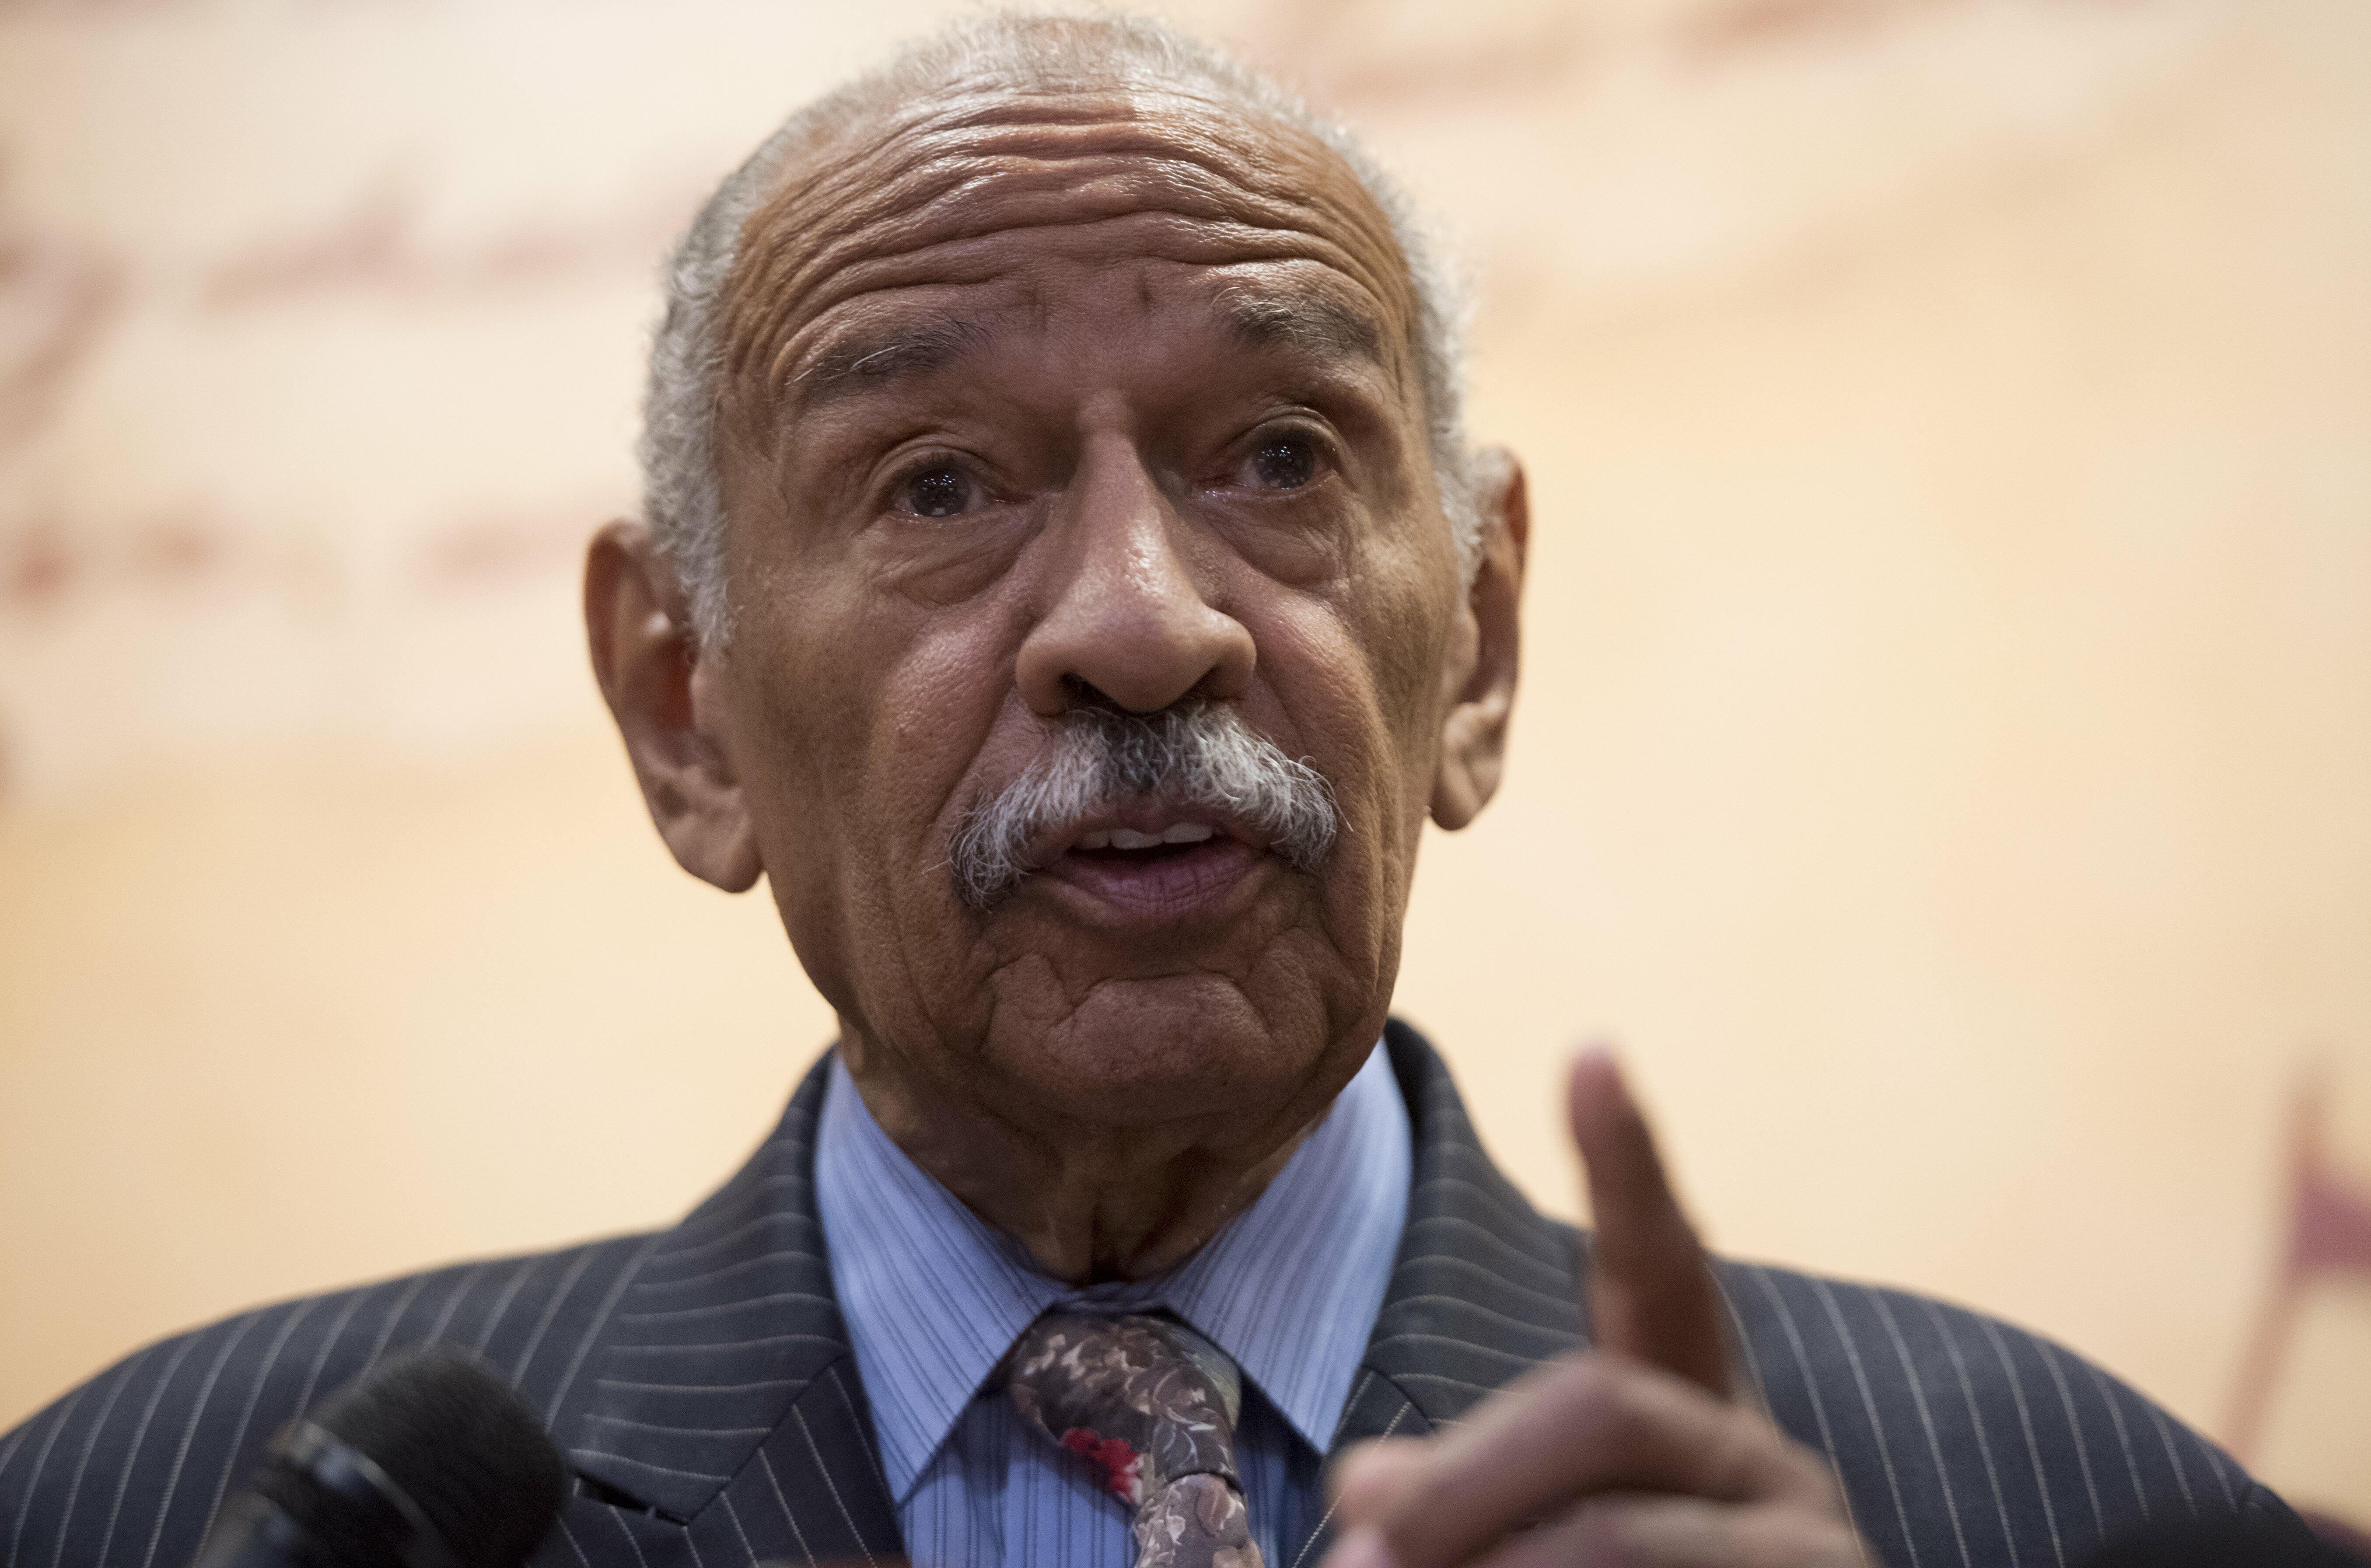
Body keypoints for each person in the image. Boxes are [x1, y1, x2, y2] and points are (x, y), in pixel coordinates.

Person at [0, 14, 2318, 1568]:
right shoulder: (158, 1517)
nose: (1139, 617)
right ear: (684, 703)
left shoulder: (2042, 1504)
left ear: (1477, 647)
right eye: (934, 482)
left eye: (1280, 458)